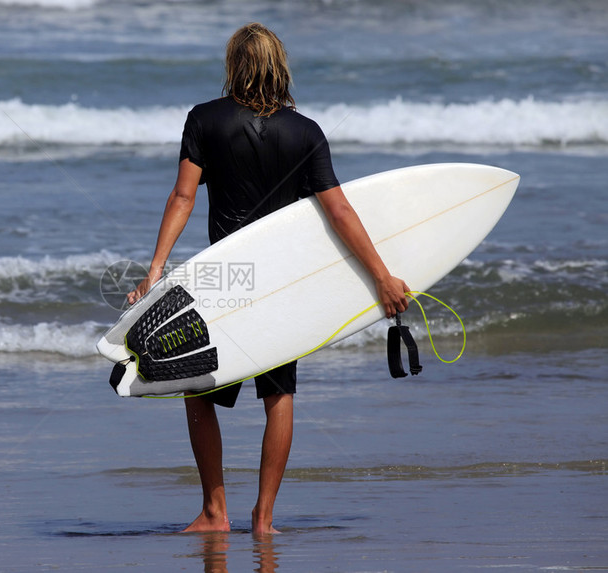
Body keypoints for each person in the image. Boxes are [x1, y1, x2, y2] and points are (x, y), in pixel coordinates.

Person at [126, 23, 409, 536]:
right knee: (278, 396)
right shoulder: (305, 132)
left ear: (234, 64)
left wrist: (155, 273)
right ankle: (264, 518)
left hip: (228, 279)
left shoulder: (204, 120)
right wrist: (382, 277)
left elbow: (183, 198)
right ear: (279, 64)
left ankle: (215, 513)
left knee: (198, 389)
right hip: (282, 282)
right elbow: (340, 211)